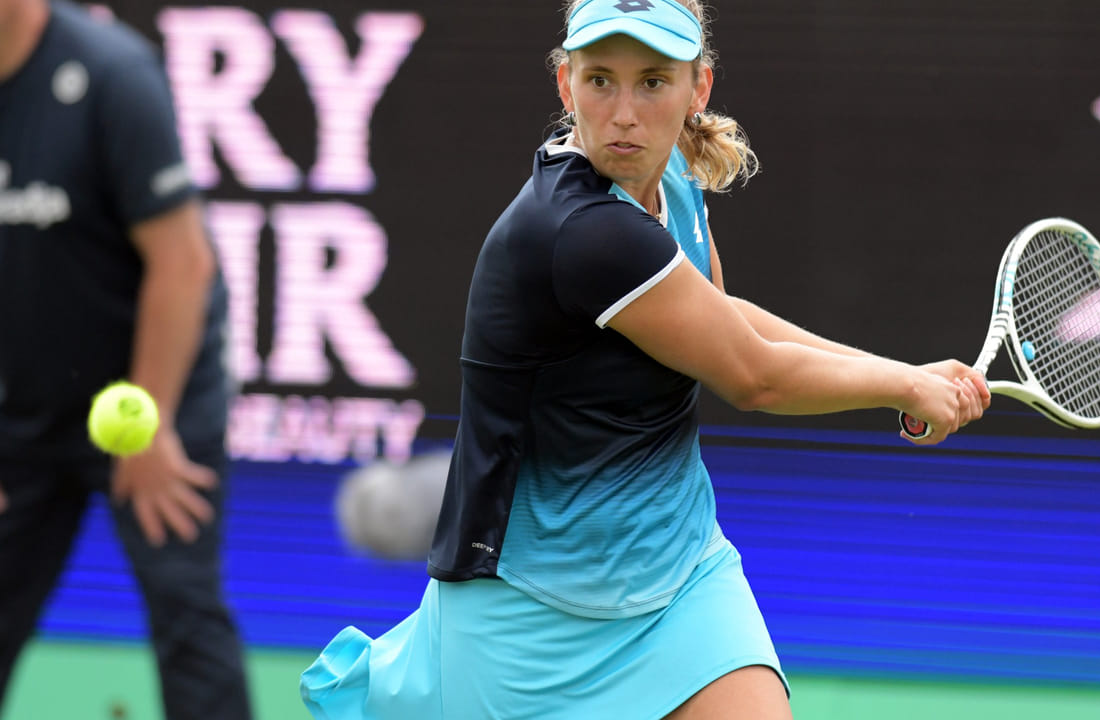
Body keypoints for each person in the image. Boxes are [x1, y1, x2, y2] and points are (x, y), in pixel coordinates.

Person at [299, 0, 989, 718]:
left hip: (680, 573)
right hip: (527, 610)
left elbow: (723, 320)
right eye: (600, 80)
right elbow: (752, 377)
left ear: (698, 88)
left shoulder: (675, 182)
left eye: (653, 82)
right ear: (566, 84)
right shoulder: (579, 231)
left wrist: (907, 377)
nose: (624, 114)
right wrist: (901, 385)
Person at [0, 1, 252, 718]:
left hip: (154, 394)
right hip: (23, 403)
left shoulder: (114, 75)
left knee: (184, 607)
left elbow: (183, 262)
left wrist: (152, 425)